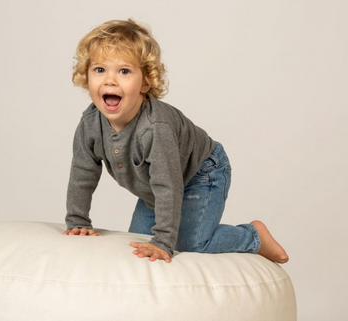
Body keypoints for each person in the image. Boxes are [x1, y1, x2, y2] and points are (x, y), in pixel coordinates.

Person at [63, 19, 289, 264]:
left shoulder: (154, 128)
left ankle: (253, 237)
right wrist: (78, 221)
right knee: (137, 238)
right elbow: (82, 174)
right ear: (86, 76)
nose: (110, 80)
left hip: (201, 173)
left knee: (190, 243)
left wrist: (163, 242)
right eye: (99, 70)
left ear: (146, 82)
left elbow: (167, 185)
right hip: (156, 185)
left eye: (124, 71)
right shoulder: (90, 124)